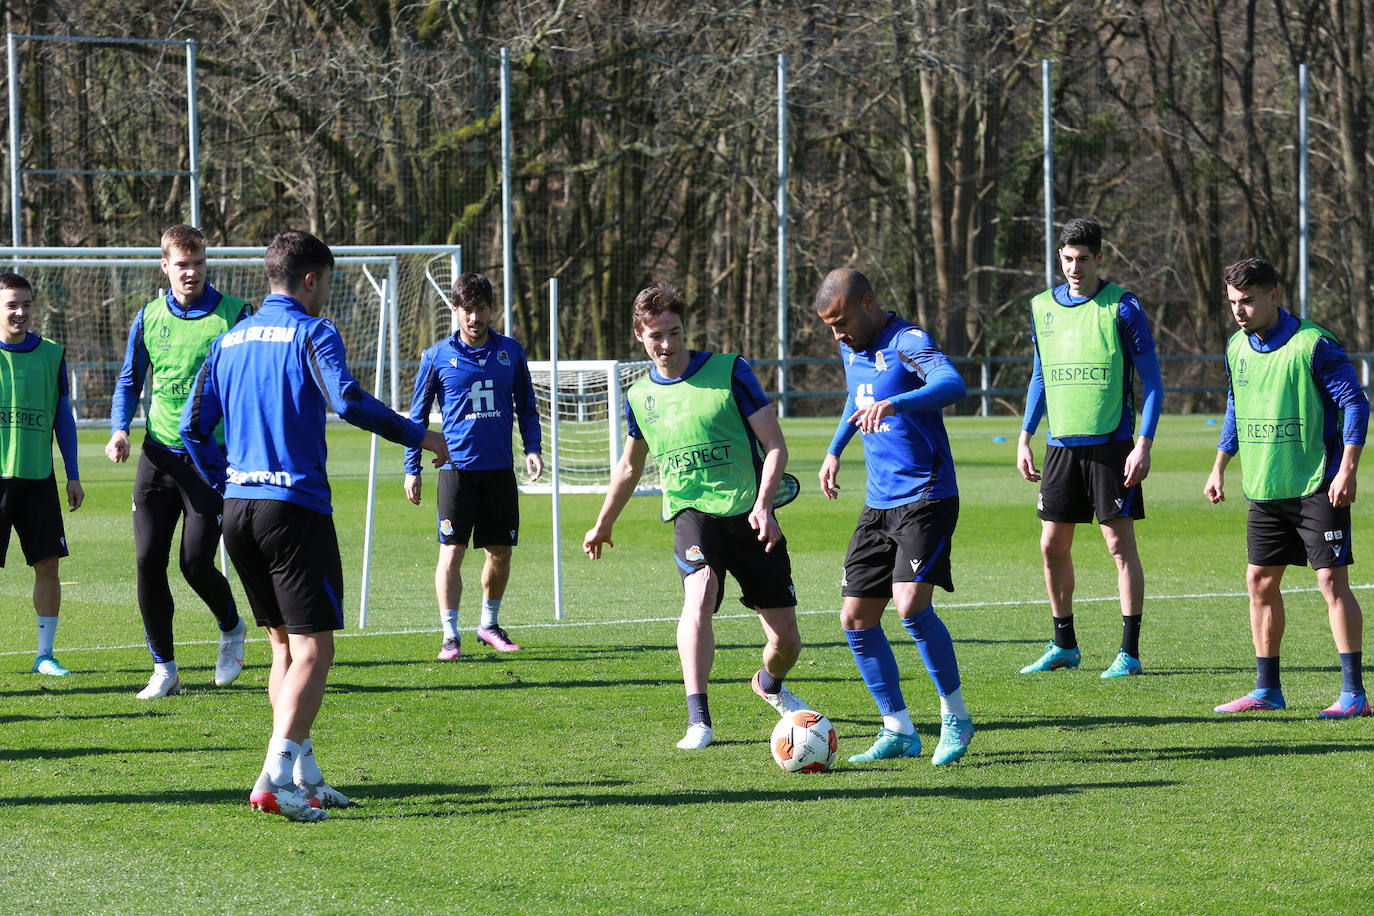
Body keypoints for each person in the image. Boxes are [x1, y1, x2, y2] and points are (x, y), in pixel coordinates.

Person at [181, 230, 448, 822]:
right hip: (293, 510)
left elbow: (190, 428)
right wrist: (419, 433)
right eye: (326, 281)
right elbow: (347, 402)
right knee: (315, 650)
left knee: (283, 647)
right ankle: (273, 778)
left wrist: (226, 480)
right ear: (309, 279)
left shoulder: (229, 340)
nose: (327, 293)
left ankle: (304, 771)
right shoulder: (312, 332)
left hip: (238, 509)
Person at [582, 282, 809, 751]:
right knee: (700, 591)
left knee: (788, 640)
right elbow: (630, 466)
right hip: (691, 512)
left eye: (675, 332)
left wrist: (764, 505)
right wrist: (604, 522)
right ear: (639, 338)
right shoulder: (639, 394)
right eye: (656, 336)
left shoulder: (730, 370)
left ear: (686, 329)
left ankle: (768, 682)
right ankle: (699, 719)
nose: (666, 345)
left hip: (749, 512)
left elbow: (775, 446)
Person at [814, 268, 973, 765]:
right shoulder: (850, 348)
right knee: (856, 618)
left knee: (909, 607)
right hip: (879, 501)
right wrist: (835, 450)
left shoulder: (908, 341)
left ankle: (956, 717)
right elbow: (855, 400)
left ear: (867, 302)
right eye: (829, 326)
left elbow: (953, 383)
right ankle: (898, 729)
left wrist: (896, 402)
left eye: (841, 320)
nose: (837, 333)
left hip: (927, 494)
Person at [1205, 257, 1369, 716]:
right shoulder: (1236, 346)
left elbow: (1355, 404)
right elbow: (1237, 407)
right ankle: (1267, 691)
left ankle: (1354, 695)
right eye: (1233, 302)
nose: (1239, 310)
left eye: (1249, 301)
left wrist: (1348, 469)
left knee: (1331, 582)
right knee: (1259, 582)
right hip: (1264, 484)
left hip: (1318, 481)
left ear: (1274, 296)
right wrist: (1219, 466)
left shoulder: (1313, 344)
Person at [106, 225, 252, 699]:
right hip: (156, 457)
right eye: (182, 264)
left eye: (199, 263)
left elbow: (252, 382)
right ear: (165, 266)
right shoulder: (148, 317)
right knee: (148, 561)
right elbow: (130, 380)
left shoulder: (234, 315)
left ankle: (231, 627)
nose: (191, 272)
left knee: (194, 563)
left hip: (209, 461)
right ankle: (164, 669)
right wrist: (120, 428)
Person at [1016, 217, 1163, 678]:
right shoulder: (1041, 307)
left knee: (1119, 545)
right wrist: (1025, 434)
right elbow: (1041, 375)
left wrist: (1143, 444)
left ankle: (1129, 653)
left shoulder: (1123, 307)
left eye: (1083, 259)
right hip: (1061, 446)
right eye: (1067, 259)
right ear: (1059, 257)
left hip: (1113, 446)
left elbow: (1153, 383)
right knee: (1050, 545)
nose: (1074, 268)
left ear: (1099, 258)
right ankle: (1064, 645)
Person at [404, 273, 542, 660]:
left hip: (499, 470)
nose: (475, 317)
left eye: (481, 308)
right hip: (455, 472)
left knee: (500, 552)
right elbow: (417, 418)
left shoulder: (511, 353)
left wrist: (532, 447)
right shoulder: (436, 356)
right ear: (456, 310)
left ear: (491, 309)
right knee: (452, 553)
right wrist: (411, 468)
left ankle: (488, 624)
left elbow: (527, 406)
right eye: (468, 309)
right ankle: (450, 634)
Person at [0, 273, 83, 676]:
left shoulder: (52, 353)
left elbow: (62, 417)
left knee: (48, 566)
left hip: (38, 479)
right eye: (12, 304)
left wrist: (73, 472)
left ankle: (44, 655)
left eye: (26, 304)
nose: (20, 312)